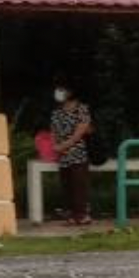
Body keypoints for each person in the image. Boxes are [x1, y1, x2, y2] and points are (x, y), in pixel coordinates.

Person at [49, 78, 95, 227]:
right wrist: (56, 146)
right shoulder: (56, 112)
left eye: (62, 89)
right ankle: (71, 215)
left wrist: (64, 145)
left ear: (71, 92)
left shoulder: (81, 109)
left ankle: (82, 215)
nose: (59, 92)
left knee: (79, 185)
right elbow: (53, 131)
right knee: (67, 186)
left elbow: (81, 131)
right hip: (63, 156)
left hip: (78, 154)